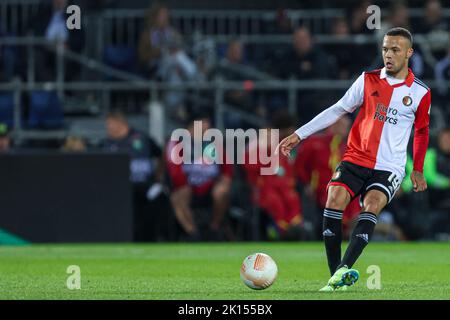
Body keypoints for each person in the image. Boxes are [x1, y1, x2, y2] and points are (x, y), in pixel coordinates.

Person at [277, 27, 431, 291]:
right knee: (333, 199)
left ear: (409, 53)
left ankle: (344, 269)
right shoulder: (367, 80)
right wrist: (300, 134)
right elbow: (338, 109)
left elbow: (421, 131)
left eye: (395, 50)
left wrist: (417, 169)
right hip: (356, 157)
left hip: (389, 166)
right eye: (385, 49)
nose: (388, 55)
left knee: (371, 205)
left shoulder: (420, 92)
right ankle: (336, 275)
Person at [165, 114, 232, 241]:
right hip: (187, 185)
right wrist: (184, 185)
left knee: (222, 191)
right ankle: (193, 233)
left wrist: (225, 180)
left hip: (210, 185)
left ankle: (214, 228)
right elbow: (174, 170)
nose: (207, 128)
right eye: (203, 124)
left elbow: (226, 169)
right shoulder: (177, 143)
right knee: (177, 197)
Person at [101, 111, 165, 241]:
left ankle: (157, 237)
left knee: (158, 198)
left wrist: (159, 177)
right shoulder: (106, 143)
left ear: (120, 123)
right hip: (121, 188)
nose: (108, 128)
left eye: (110, 124)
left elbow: (161, 156)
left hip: (146, 185)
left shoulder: (142, 138)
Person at [296, 116, 361, 239]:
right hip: (320, 190)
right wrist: (306, 184)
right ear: (333, 125)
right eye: (344, 126)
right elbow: (300, 166)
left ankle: (349, 231)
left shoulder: (346, 146)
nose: (346, 130)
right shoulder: (314, 142)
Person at [242, 111, 303, 240]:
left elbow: (289, 170)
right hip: (263, 187)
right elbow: (250, 168)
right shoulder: (257, 146)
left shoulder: (284, 146)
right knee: (275, 201)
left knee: (291, 197)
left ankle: (295, 226)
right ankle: (281, 230)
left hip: (282, 186)